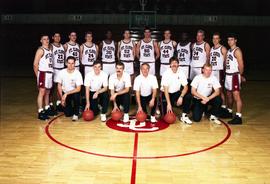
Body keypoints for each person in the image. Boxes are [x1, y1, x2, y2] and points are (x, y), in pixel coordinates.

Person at [160, 57, 192, 124]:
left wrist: (181, 97)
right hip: (165, 93)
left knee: (188, 96)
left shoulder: (181, 72)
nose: (174, 64)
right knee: (166, 117)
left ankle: (184, 116)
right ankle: (160, 106)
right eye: (172, 63)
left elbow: (186, 87)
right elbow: (165, 90)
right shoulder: (166, 73)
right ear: (170, 65)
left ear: (178, 64)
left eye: (176, 62)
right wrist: (168, 104)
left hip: (176, 93)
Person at [225, 33, 245, 124]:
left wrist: (240, 75)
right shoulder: (229, 50)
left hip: (234, 76)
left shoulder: (237, 51)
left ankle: (238, 117)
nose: (230, 41)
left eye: (231, 39)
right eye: (228, 40)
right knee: (229, 95)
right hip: (228, 75)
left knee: (236, 96)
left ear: (235, 40)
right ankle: (229, 112)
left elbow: (241, 65)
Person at [33, 34, 54, 120]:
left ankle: (47, 108)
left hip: (49, 73)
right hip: (43, 73)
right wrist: (38, 76)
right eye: (44, 39)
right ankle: (40, 111)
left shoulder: (50, 50)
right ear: (41, 41)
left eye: (47, 39)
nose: (46, 40)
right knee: (42, 92)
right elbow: (35, 64)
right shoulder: (40, 50)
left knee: (48, 92)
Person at [56, 56, 83, 121]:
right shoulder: (62, 72)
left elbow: (78, 89)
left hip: (74, 92)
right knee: (68, 114)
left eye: (72, 63)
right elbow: (59, 85)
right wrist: (62, 97)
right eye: (69, 63)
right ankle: (78, 108)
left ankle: (76, 114)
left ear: (75, 64)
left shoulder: (77, 73)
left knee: (77, 95)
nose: (70, 65)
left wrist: (66, 94)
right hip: (65, 93)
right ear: (66, 63)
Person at [210, 32, 228, 115]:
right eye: (213, 38)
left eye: (217, 38)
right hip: (211, 71)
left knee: (220, 91)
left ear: (219, 39)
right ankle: (215, 106)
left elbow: (226, 62)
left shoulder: (223, 48)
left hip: (219, 71)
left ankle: (223, 107)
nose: (215, 40)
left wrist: (224, 71)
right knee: (212, 90)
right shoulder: (211, 48)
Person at [51, 32, 65, 112]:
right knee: (53, 88)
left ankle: (60, 103)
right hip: (54, 69)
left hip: (61, 69)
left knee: (61, 88)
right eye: (55, 36)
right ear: (53, 37)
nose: (57, 37)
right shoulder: (51, 46)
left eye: (59, 36)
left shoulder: (63, 46)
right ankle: (51, 104)